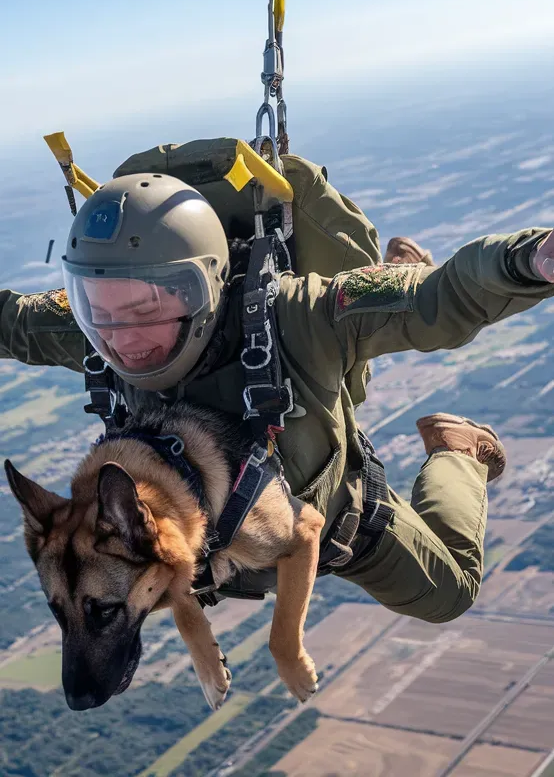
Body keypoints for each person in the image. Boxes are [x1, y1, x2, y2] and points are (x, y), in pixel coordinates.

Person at [2, 170, 554, 625]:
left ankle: (458, 449)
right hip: (232, 546)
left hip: (337, 523)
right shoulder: (104, 318)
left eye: (145, 312)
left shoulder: (291, 312)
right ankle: (390, 275)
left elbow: (442, 298)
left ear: (203, 287)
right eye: (98, 311)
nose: (122, 340)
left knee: (448, 593)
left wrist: (531, 258)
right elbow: (15, 323)